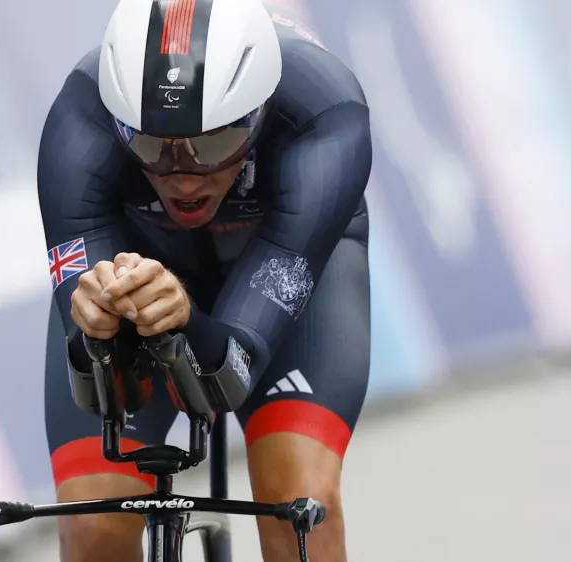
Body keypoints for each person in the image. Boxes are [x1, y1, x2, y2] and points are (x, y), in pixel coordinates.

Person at [37, 0, 372, 559]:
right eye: (150, 145)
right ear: (121, 122)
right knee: (95, 524)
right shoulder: (80, 120)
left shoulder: (324, 112)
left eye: (214, 143)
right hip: (139, 259)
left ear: (258, 114)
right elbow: (104, 384)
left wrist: (188, 316)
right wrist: (95, 329)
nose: (183, 176)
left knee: (302, 509)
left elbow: (233, 369)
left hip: (286, 261)